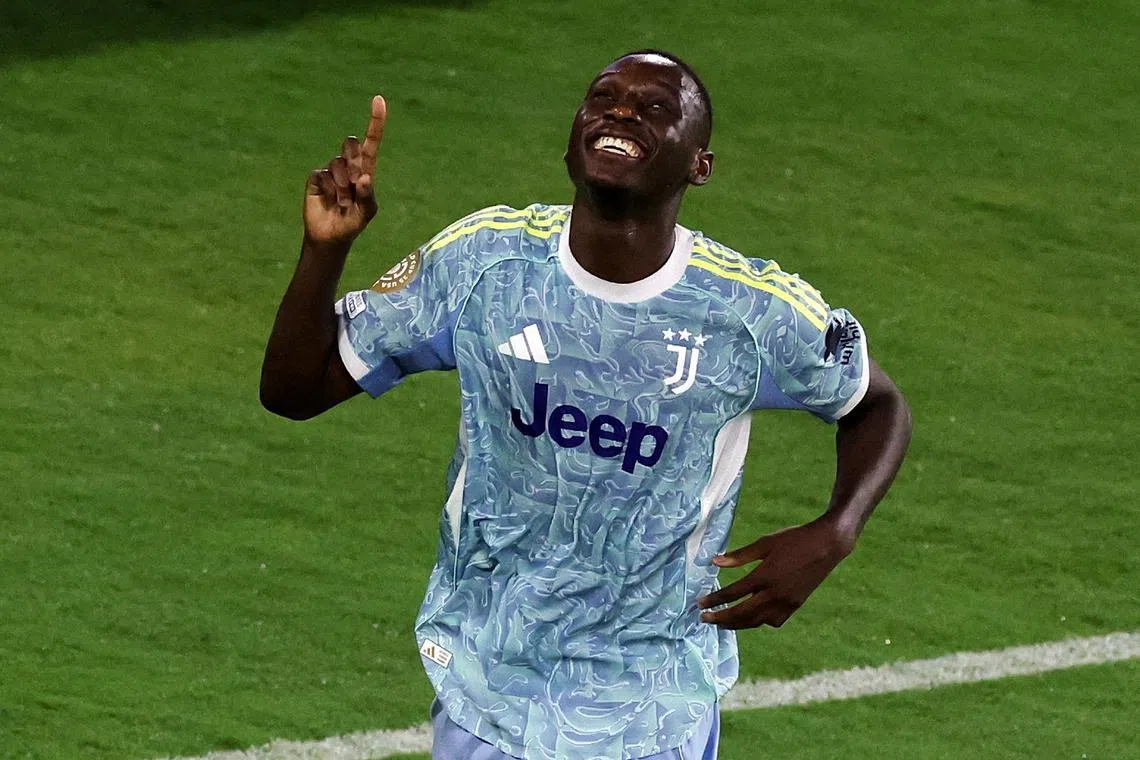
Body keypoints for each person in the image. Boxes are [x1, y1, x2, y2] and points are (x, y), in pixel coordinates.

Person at [260, 49, 911, 760]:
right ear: (571, 141)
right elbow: (295, 390)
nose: (621, 111)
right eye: (603, 98)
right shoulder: (484, 265)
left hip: (652, 710)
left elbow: (875, 404)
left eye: (656, 108)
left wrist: (836, 530)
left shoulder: (748, 313)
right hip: (490, 695)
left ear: (700, 165)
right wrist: (324, 250)